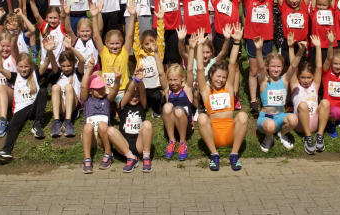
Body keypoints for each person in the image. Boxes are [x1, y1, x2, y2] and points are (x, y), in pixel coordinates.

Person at [196, 24, 248, 170]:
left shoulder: (229, 88)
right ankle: (214, 155)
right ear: (211, 75)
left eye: (224, 77)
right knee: (201, 117)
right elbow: (200, 69)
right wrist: (199, 46)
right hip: (214, 135)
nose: (221, 80)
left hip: (231, 132)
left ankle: (234, 154)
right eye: (218, 76)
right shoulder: (205, 90)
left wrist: (236, 41)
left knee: (243, 115)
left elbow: (232, 64)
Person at [0, 51, 40, 164]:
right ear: (17, 67)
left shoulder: (36, 74)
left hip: (34, 107)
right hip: (20, 109)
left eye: (26, 66)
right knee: (12, 126)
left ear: (31, 66)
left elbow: (46, 64)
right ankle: (5, 151)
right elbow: (0, 68)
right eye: (20, 67)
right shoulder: (15, 76)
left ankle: (37, 124)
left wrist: (49, 50)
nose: (23, 69)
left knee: (43, 92)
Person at [241, 0, 274, 117]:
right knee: (254, 71)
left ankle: (265, 98)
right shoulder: (249, 0)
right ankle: (254, 101)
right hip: (252, 39)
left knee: (265, 71)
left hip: (267, 39)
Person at [252, 34, 299, 152]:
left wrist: (301, 50)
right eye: (273, 66)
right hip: (266, 119)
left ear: (283, 67)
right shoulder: (264, 81)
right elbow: (260, 67)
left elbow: (293, 66)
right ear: (268, 66)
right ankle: (269, 137)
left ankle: (282, 134)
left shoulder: (284, 80)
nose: (276, 69)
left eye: (279, 66)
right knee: (270, 126)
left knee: (294, 119)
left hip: (280, 117)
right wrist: (258, 49)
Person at [106, 66, 154, 173]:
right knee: (110, 130)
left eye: (137, 96)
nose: (134, 98)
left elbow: (142, 92)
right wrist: (135, 79)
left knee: (147, 124)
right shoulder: (122, 106)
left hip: (139, 144)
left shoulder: (142, 105)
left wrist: (140, 80)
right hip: (124, 145)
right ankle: (131, 158)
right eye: (132, 95)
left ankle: (146, 157)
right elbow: (128, 91)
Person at [89, 1, 137, 102]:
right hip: (106, 89)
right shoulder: (104, 51)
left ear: (122, 42)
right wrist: (94, 16)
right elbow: (97, 36)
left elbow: (129, 35)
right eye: (112, 44)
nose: (114, 46)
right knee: (100, 103)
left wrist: (132, 15)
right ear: (106, 43)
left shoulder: (124, 51)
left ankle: (117, 108)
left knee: (120, 105)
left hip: (122, 89)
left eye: (117, 44)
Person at [290, 35, 330, 155]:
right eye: (303, 77)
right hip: (301, 124)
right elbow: (293, 66)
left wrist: (318, 47)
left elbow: (318, 66)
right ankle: (308, 138)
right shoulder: (295, 85)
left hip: (315, 122)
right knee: (302, 105)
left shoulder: (315, 85)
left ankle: (320, 135)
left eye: (309, 77)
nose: (306, 80)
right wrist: (291, 46)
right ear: (298, 77)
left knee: (325, 102)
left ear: (313, 77)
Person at [162, 28, 196, 161]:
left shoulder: (187, 89)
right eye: (170, 80)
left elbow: (190, 70)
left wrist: (191, 48)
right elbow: (161, 72)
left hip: (185, 126)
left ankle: (183, 143)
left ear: (182, 79)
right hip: (172, 125)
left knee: (178, 111)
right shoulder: (167, 91)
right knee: (167, 107)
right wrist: (155, 53)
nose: (172, 82)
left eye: (175, 79)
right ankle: (172, 141)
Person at [80, 71, 121, 174]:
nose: (101, 90)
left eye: (102, 87)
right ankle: (87, 158)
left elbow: (115, 90)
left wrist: (117, 79)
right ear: (90, 91)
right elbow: (84, 87)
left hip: (103, 137)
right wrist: (89, 68)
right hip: (90, 137)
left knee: (103, 125)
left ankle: (108, 153)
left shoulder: (107, 100)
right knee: (88, 126)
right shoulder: (86, 101)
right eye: (97, 89)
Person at [48, 44, 85, 138]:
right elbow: (52, 60)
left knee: (68, 87)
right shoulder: (58, 73)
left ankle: (68, 122)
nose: (66, 68)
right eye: (63, 66)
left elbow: (82, 60)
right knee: (55, 87)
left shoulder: (77, 72)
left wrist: (71, 48)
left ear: (73, 64)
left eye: (69, 65)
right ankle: (57, 122)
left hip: (73, 107)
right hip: (60, 107)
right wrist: (49, 50)